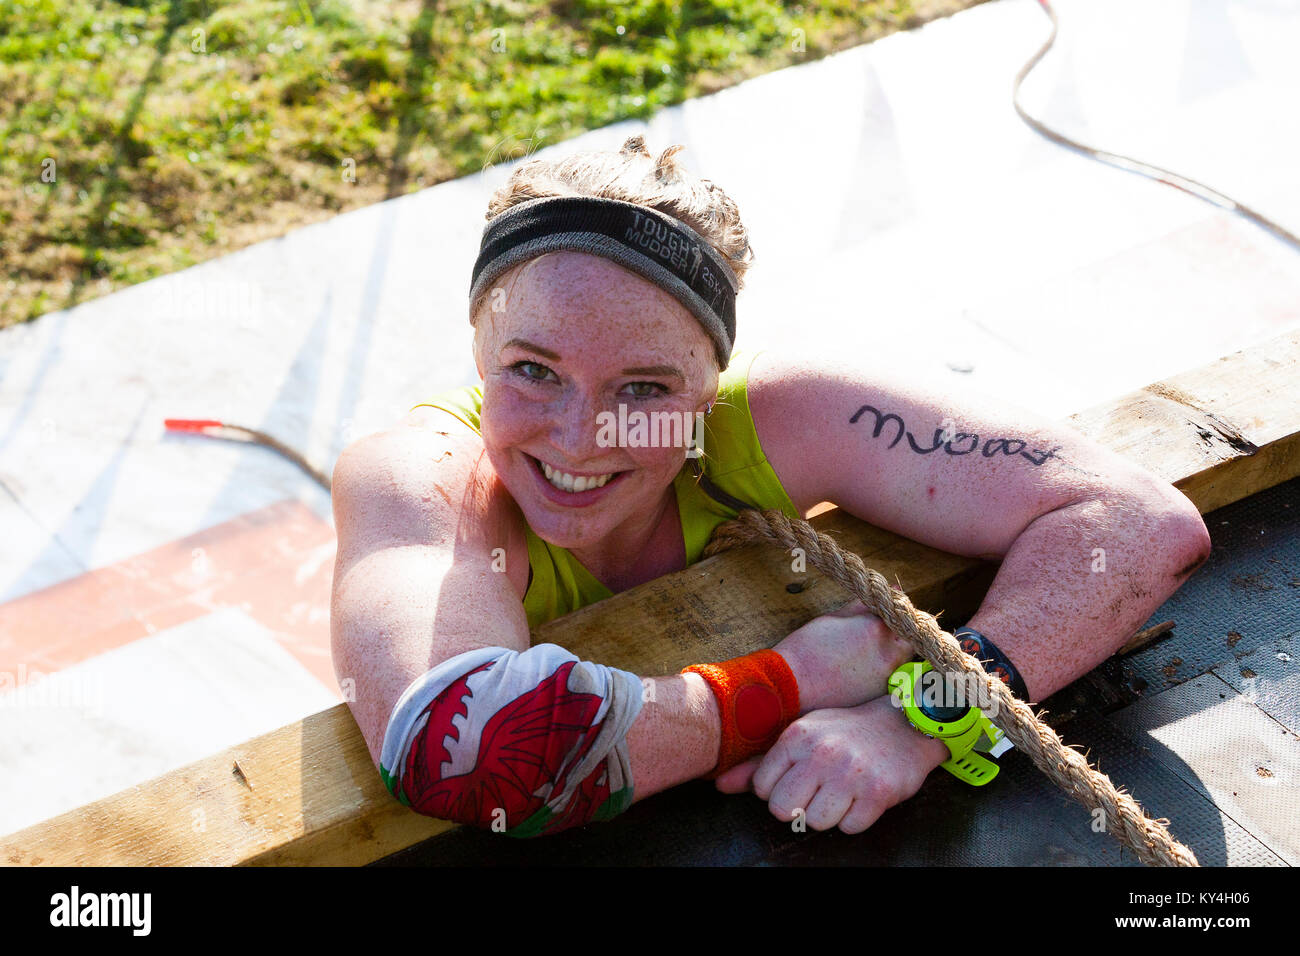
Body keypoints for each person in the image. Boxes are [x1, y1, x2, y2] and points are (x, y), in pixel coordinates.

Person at [329, 135, 1210, 839]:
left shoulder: (776, 414)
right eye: (533, 371)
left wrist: (919, 724)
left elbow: (1137, 523)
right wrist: (790, 680)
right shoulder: (421, 480)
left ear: (711, 385)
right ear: (478, 353)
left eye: (645, 388)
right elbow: (468, 753)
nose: (582, 436)